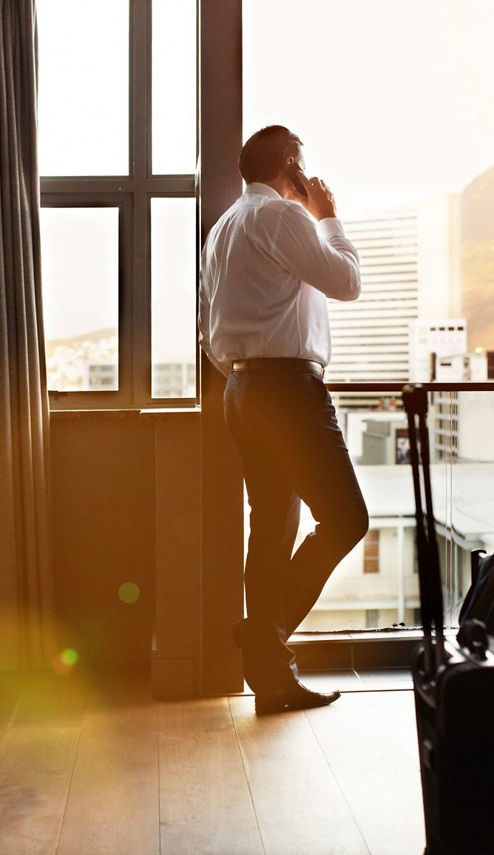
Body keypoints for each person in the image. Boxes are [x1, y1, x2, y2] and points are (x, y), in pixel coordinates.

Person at [199, 125, 369, 714]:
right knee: (346, 519)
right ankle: (262, 637)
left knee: (271, 528)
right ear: (290, 164)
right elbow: (346, 282)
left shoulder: (223, 228)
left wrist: (244, 372)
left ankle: (271, 679)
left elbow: (210, 328)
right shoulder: (284, 217)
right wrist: (328, 216)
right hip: (287, 391)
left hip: (241, 389)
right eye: (301, 163)